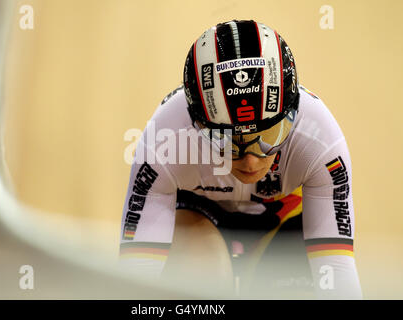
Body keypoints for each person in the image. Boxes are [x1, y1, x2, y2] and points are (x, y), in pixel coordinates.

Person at [119, 20, 362, 299]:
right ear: (195, 123)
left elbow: (336, 271)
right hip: (199, 217)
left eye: (270, 135)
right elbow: (134, 278)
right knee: (200, 276)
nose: (250, 161)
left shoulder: (321, 140)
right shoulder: (164, 141)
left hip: (284, 222)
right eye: (226, 142)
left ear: (293, 115)